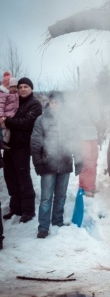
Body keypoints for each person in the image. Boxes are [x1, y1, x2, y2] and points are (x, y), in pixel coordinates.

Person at [31, 91, 82, 238]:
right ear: (49, 103)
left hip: (64, 164)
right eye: (52, 102)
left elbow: (75, 142)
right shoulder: (41, 120)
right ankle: (43, 228)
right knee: (46, 199)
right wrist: (38, 163)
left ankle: (57, 221)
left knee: (61, 197)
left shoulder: (69, 121)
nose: (54, 105)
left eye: (58, 102)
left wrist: (78, 160)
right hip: (48, 165)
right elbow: (35, 142)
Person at [2, 77, 42, 223]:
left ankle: (28, 210)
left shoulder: (35, 104)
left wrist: (7, 121)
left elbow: (27, 123)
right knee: (10, 178)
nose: (23, 89)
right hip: (9, 146)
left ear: (31, 88)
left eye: (26, 86)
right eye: (20, 87)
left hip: (23, 147)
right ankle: (15, 208)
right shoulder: (15, 102)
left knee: (23, 178)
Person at [0, 75, 19, 150]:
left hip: (12, 115)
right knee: (4, 129)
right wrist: (1, 117)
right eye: (11, 86)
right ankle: (3, 142)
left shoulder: (15, 94)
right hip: (5, 115)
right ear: (7, 87)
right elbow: (0, 106)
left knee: (8, 129)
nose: (13, 88)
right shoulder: (3, 95)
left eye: (15, 86)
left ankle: (5, 142)